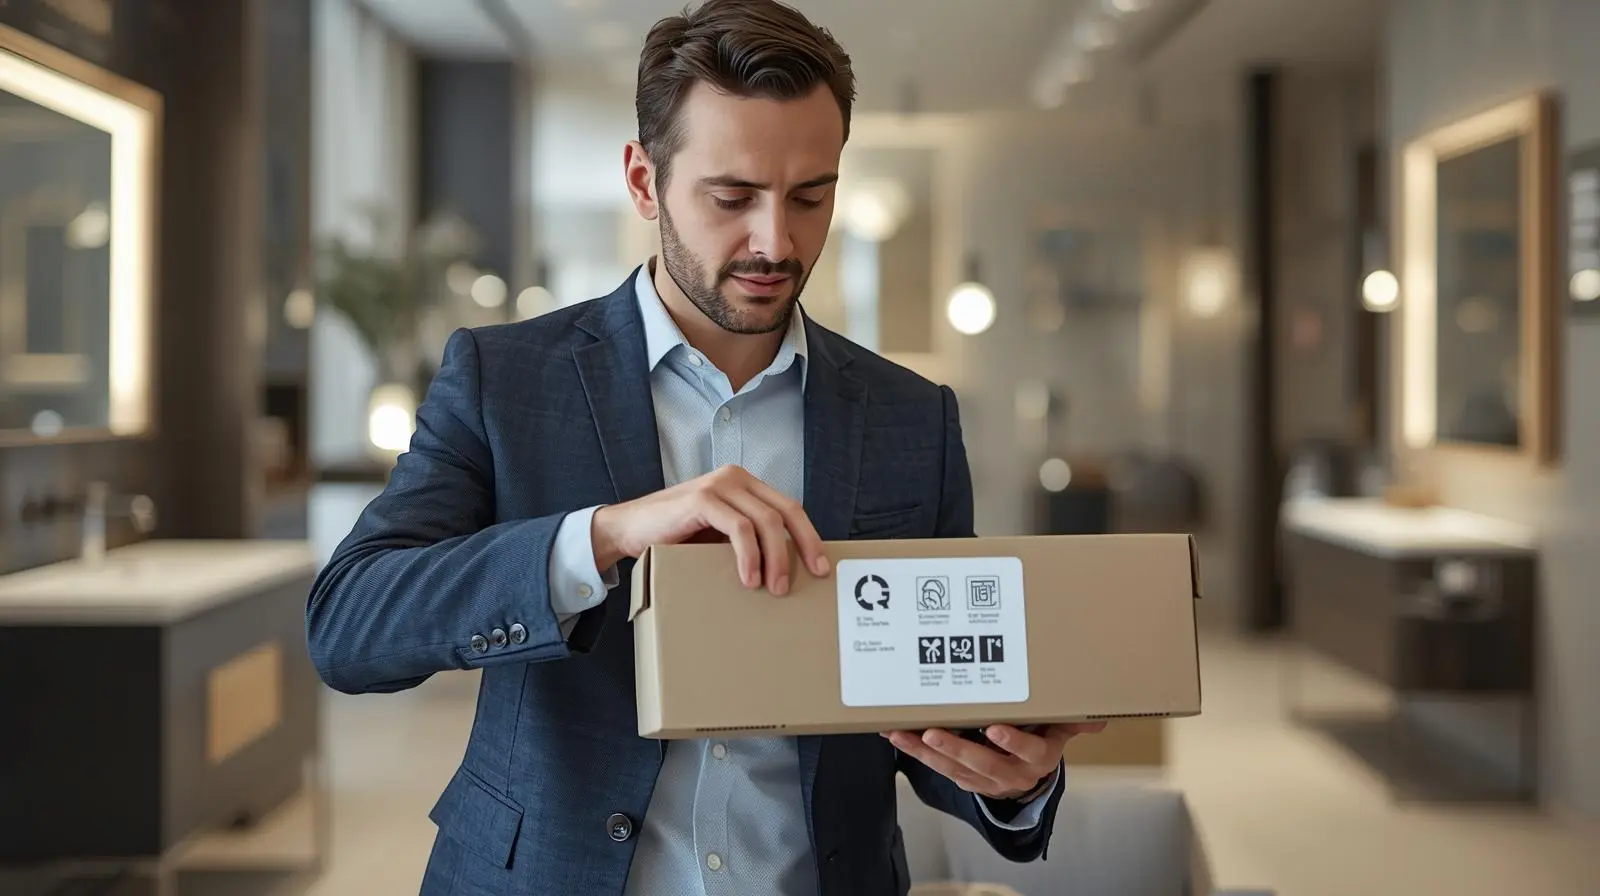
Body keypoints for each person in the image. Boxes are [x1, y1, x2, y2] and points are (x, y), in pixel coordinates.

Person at [306, 1, 1100, 893]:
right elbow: (348, 628)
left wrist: (1012, 781)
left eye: (810, 196)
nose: (776, 240)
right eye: (732, 197)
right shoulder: (504, 380)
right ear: (645, 183)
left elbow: (931, 697)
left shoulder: (911, 415)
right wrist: (603, 536)